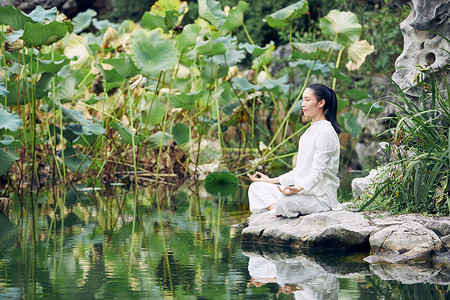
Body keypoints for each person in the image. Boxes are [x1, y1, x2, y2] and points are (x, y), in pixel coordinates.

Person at [247, 83, 342, 218]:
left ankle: (277, 211)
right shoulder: (308, 132)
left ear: (321, 103)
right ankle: (278, 210)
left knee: (285, 201)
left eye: (307, 100)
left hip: (320, 198)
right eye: (303, 99)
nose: (303, 104)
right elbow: (299, 171)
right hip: (302, 193)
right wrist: (270, 180)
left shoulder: (325, 132)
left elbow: (318, 172)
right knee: (256, 188)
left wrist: (298, 189)